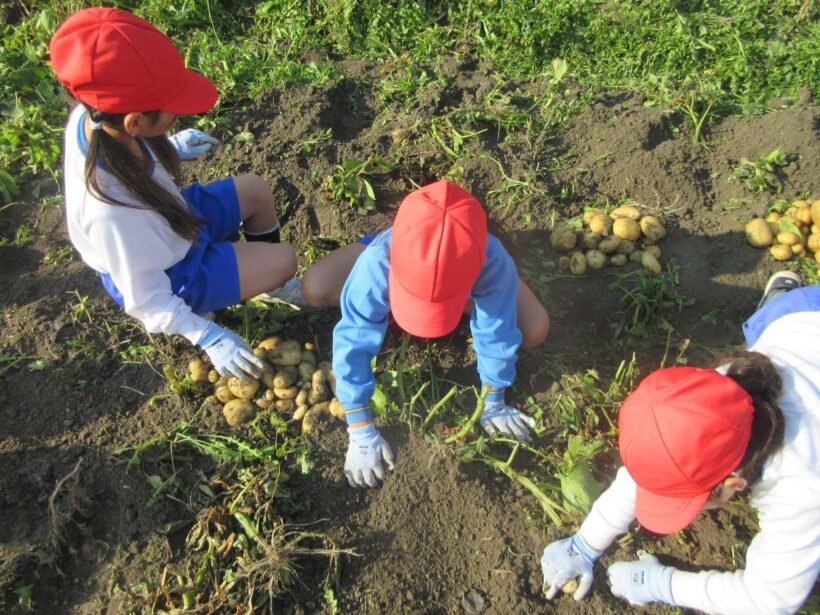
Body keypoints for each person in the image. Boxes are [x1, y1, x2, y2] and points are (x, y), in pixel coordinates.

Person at [540, 271, 820, 614]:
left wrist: (664, 584)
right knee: (772, 319)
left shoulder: (802, 484)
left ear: (733, 483)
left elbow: (768, 602)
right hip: (798, 318)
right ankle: (780, 296)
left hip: (805, 325)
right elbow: (656, 464)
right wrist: (583, 544)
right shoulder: (723, 390)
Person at [49, 7, 305, 381]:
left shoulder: (96, 117)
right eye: (171, 111)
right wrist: (207, 336)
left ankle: (270, 285)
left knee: (256, 191)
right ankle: (206, 304)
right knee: (283, 259)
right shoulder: (110, 213)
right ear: (135, 123)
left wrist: (167, 145)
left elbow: (133, 147)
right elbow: (144, 299)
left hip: (170, 217)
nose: (180, 114)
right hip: (171, 272)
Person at [301, 180, 551, 488]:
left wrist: (494, 396)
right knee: (315, 288)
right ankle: (422, 284)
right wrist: (360, 424)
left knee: (534, 329)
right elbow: (354, 338)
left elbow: (497, 328)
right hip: (405, 239)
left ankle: (466, 290)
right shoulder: (380, 258)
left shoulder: (490, 258)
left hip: (467, 257)